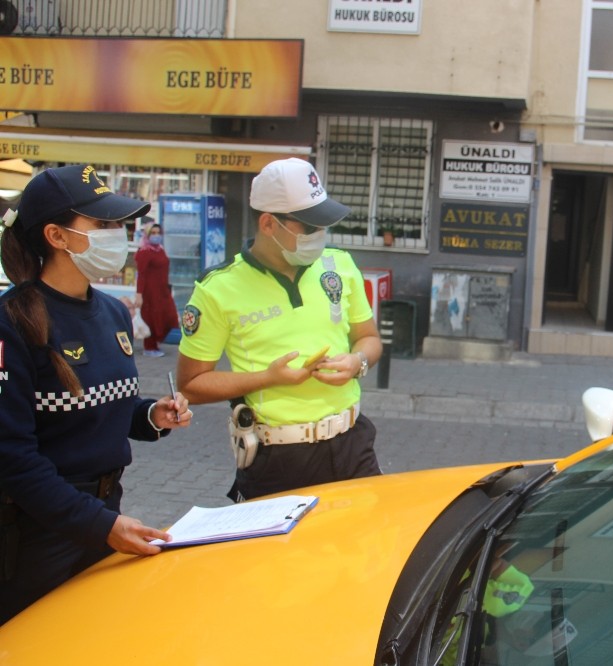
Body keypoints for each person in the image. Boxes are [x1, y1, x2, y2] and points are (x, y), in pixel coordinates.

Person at [0, 164, 192, 624]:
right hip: (38, 529)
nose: (117, 234)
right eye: (102, 223)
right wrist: (101, 526)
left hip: (106, 511)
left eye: (117, 223)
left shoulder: (112, 313)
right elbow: (11, 457)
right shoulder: (12, 321)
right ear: (56, 236)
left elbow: (104, 408)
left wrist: (152, 415)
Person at [176, 157, 382, 502]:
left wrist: (357, 362)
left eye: (324, 225)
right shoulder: (217, 288)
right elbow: (191, 385)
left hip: (353, 443)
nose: (320, 235)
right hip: (279, 456)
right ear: (269, 224)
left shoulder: (339, 265)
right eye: (310, 226)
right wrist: (268, 378)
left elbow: (369, 338)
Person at [134, 221, 179, 357]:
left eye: (158, 233)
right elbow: (141, 274)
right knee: (152, 318)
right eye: (153, 233)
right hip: (150, 291)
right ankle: (149, 347)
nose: (156, 235)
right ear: (147, 235)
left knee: (169, 317)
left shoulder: (160, 249)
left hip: (163, 290)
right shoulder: (144, 252)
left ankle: (156, 342)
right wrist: (139, 294)